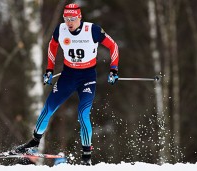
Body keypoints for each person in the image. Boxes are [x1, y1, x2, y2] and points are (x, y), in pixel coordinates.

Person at [12, 3, 119, 165]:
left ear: (79, 17)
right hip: (68, 75)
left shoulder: (93, 30)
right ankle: (33, 143)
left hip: (87, 77)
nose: (69, 22)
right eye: (66, 18)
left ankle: (86, 157)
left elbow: (113, 46)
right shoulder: (60, 30)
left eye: (72, 19)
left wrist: (114, 69)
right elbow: (52, 46)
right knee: (48, 108)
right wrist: (49, 69)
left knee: (83, 114)